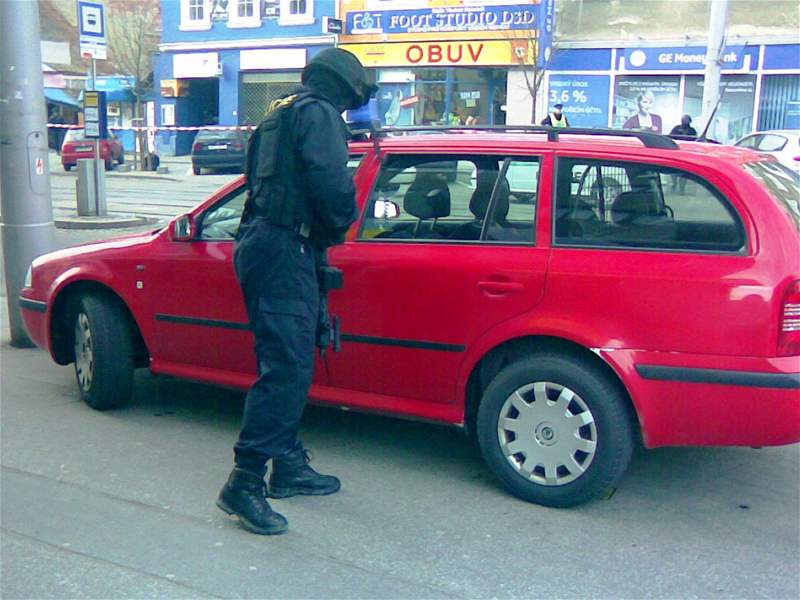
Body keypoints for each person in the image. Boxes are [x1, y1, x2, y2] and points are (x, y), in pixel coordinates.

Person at [217, 48, 377, 536]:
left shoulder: (280, 114)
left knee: (286, 357)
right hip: (286, 247)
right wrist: (338, 229)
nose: (350, 108)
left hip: (267, 243)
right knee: (287, 367)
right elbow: (333, 189)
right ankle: (245, 483)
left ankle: (286, 464)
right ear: (342, 89)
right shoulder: (321, 116)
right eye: (351, 99)